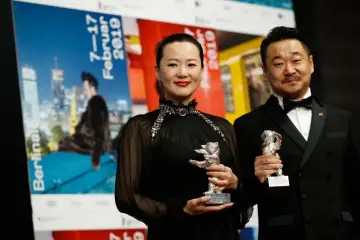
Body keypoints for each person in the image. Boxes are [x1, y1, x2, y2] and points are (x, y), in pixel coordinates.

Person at [115, 33, 252, 240]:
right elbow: (126, 197)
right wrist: (181, 210)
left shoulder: (223, 127)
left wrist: (235, 183)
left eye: (191, 64)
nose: (182, 73)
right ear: (158, 72)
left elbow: (245, 194)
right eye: (172, 65)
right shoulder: (141, 127)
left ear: (202, 70)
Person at [234, 26, 360, 240]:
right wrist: (256, 180)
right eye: (278, 64)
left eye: (296, 60)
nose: (289, 70)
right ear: (265, 72)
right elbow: (241, 198)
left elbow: (355, 184)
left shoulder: (341, 118)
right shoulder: (247, 125)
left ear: (310, 64)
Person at [58, 72, 111, 170]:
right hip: (94, 145)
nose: (84, 91)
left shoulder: (95, 103)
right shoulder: (96, 102)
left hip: (93, 147)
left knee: (64, 143)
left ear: (92, 88)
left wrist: (95, 160)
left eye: (85, 88)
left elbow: (99, 131)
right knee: (66, 141)